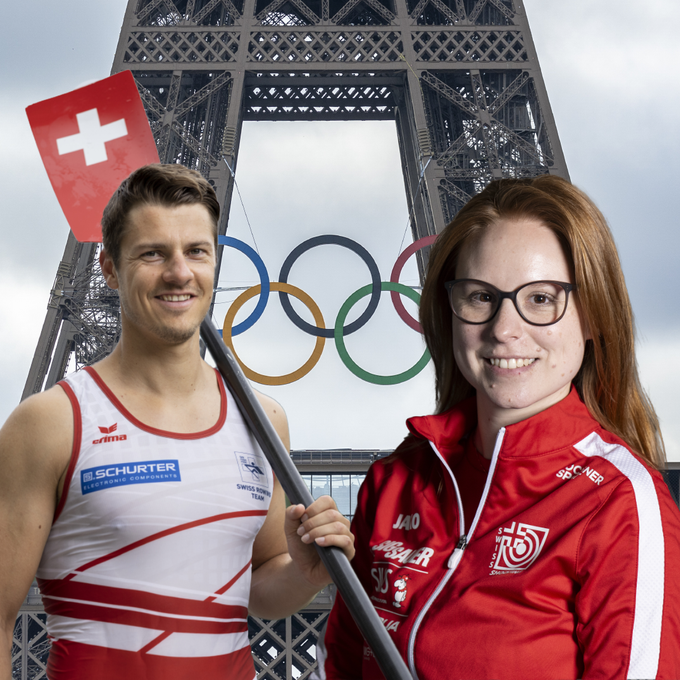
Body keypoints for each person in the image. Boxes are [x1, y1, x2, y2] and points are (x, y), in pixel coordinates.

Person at [317, 175, 680, 679]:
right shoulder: (394, 482)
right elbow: (342, 665)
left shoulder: (618, 500)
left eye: (540, 299)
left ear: (594, 314)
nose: (505, 329)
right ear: (450, 310)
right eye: (481, 297)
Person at [0, 164, 354, 680]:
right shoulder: (50, 423)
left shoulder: (264, 418)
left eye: (196, 251)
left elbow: (261, 589)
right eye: (152, 253)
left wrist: (308, 573)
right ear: (109, 268)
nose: (179, 273)